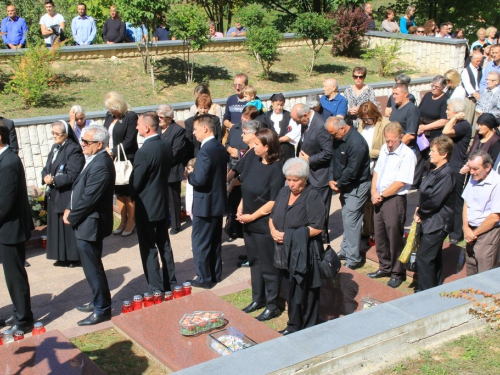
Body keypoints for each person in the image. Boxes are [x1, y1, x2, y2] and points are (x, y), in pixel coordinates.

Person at [63, 125, 114, 326]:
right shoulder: (93, 158)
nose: (82, 144)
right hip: (86, 221)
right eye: (82, 140)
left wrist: (72, 216)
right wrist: (69, 207)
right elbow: (79, 189)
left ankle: (102, 309)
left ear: (99, 144)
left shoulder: (101, 164)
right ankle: (97, 301)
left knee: (93, 268)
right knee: (91, 266)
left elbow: (89, 198)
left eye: (86, 142)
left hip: (90, 224)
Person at [270, 158, 325, 335]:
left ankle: (308, 326)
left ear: (305, 178)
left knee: (307, 290)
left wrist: (290, 236)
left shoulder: (313, 195)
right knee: (289, 287)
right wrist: (272, 231)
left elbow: (317, 227)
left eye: (296, 180)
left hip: (303, 253)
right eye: (289, 179)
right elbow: (272, 216)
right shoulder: (283, 192)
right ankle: (293, 324)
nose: (291, 184)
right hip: (283, 252)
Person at [237, 128, 284, 321]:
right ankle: (258, 298)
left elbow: (273, 201)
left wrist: (252, 216)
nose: (253, 146)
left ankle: (273, 305)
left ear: (267, 146)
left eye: (257, 144)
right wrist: (241, 208)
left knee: (268, 265)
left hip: (263, 224)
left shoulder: (277, 169)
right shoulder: (253, 159)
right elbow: (246, 186)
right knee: (255, 262)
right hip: (248, 222)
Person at [131, 112, 177, 293]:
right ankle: (170, 283)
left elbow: (136, 181)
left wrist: (132, 195)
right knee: (164, 244)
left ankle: (155, 287)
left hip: (147, 207)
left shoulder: (144, 152)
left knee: (149, 248)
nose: (136, 127)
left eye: (138, 125)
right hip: (162, 202)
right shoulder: (166, 145)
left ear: (147, 127)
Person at [368, 122, 416, 288]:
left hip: (394, 199)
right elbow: (377, 172)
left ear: (400, 138)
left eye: (392, 141)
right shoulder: (384, 149)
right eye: (387, 140)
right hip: (379, 197)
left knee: (394, 237)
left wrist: (380, 195)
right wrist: (373, 191)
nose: (389, 144)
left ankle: (397, 272)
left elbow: (400, 183)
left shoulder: (407, 155)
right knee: (380, 235)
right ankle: (385, 267)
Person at [0, 125, 34, 333]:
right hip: (5, 228)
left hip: (10, 229)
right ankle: (17, 313)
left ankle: (24, 319)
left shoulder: (9, 162)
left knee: (15, 276)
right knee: (11, 275)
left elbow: (5, 203)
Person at [186, 114, 227, 288]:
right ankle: (215, 274)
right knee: (214, 241)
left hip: (204, 204)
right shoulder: (219, 146)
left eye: (195, 129)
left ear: (205, 128)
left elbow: (200, 180)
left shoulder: (205, 151)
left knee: (200, 243)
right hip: (217, 202)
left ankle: (204, 278)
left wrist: (190, 175)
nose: (194, 133)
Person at [326, 117, 371, 270]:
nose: (332, 138)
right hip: (344, 185)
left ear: (343, 129)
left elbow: (353, 170)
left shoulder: (356, 143)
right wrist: (331, 179)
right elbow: (333, 160)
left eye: (333, 134)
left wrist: (339, 184)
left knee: (352, 222)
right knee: (346, 218)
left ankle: (353, 258)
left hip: (356, 186)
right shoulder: (338, 138)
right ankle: (345, 251)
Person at [414, 136, 455, 291]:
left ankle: (425, 293)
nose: (430, 153)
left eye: (433, 150)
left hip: (437, 222)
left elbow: (435, 200)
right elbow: (425, 193)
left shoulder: (447, 173)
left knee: (424, 257)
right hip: (429, 220)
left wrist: (420, 211)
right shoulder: (434, 169)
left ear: (444, 154)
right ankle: (435, 288)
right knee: (434, 257)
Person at [42, 121, 84, 267]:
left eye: (57, 133)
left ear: (66, 134)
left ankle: (73, 257)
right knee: (56, 227)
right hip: (54, 193)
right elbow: (46, 167)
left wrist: (53, 180)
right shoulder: (55, 148)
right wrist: (45, 177)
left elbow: (73, 174)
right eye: (53, 133)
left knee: (67, 227)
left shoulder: (73, 149)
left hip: (66, 192)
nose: (54, 136)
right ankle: (60, 255)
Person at [291, 103, 333, 242]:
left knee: (320, 209)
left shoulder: (321, 126)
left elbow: (328, 152)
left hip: (320, 176)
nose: (296, 124)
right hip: (309, 174)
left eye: (297, 121)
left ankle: (321, 239)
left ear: (304, 115)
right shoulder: (305, 122)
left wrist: (309, 159)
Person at [103, 91, 138, 236]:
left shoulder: (130, 116)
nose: (111, 111)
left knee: (128, 192)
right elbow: (105, 133)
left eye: (113, 108)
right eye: (109, 108)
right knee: (118, 191)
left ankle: (132, 221)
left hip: (126, 158)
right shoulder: (109, 116)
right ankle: (123, 220)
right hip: (111, 158)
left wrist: (112, 151)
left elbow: (129, 140)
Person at [462, 150, 500, 276]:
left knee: (485, 273)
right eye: (470, 168)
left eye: (475, 169)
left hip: (487, 233)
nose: (471, 172)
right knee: (471, 270)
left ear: (488, 167)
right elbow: (466, 203)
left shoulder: (497, 183)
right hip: (471, 231)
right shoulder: (474, 177)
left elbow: (494, 217)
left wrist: (474, 233)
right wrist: (466, 227)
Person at [441, 99, 472, 245]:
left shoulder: (463, 125)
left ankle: (456, 233)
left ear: (457, 112)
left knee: (457, 202)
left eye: (449, 109)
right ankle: (448, 227)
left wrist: (453, 118)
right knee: (447, 200)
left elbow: (446, 131)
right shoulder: (456, 124)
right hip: (449, 167)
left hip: (457, 168)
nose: (446, 111)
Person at [358, 101, 389, 243]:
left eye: (368, 117)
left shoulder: (385, 124)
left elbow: (386, 149)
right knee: (364, 200)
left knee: (374, 199)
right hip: (363, 167)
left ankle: (375, 230)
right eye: (363, 118)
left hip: (376, 166)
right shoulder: (362, 124)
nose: (366, 120)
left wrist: (367, 153)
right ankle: (366, 228)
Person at [157, 104, 186, 235]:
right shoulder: (157, 129)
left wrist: (159, 160)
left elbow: (176, 152)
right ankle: (164, 220)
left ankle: (175, 224)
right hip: (158, 170)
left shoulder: (178, 130)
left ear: (170, 118)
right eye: (158, 117)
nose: (159, 120)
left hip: (172, 170)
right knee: (161, 198)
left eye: (162, 117)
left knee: (173, 198)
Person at [416, 76, 448, 187]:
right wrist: (420, 126)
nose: (433, 88)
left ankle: (431, 182)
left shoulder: (445, 100)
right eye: (432, 86)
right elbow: (419, 111)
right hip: (421, 132)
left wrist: (426, 127)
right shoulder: (428, 96)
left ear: (443, 87)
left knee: (433, 158)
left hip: (434, 134)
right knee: (418, 156)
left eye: (437, 87)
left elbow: (444, 120)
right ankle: (415, 183)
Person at [185, 94, 222, 160]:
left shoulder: (215, 120)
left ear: (209, 107)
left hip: (213, 153)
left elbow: (219, 138)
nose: (203, 110)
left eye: (205, 108)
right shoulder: (190, 122)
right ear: (197, 107)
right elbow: (189, 141)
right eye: (201, 108)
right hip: (196, 155)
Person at [267, 93, 300, 162]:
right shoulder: (267, 116)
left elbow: (294, 131)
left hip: (286, 149)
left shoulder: (289, 116)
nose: (279, 107)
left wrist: (280, 140)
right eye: (277, 105)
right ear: (272, 103)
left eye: (281, 105)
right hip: (271, 149)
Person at [225, 105, 259, 170]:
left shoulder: (255, 132)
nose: (243, 119)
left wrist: (239, 154)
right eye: (243, 116)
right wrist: (230, 150)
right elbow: (227, 144)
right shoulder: (234, 128)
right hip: (232, 164)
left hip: (247, 165)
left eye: (247, 118)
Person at [461, 52, 483, 124]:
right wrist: (474, 94)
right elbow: (467, 84)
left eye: (480, 61)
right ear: (472, 59)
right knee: (468, 119)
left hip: (480, 98)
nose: (479, 63)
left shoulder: (481, 70)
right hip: (470, 98)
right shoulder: (466, 71)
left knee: (476, 121)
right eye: (477, 61)